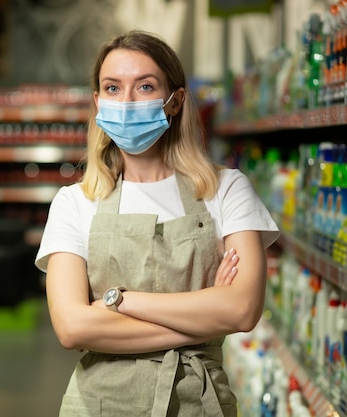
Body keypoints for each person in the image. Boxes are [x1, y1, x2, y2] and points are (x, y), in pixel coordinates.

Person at [34, 29, 280, 417]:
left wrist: (119, 301)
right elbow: (73, 327)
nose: (127, 102)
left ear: (175, 101)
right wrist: (207, 320)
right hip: (98, 406)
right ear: (98, 103)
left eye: (145, 86)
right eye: (112, 88)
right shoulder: (75, 203)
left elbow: (244, 309)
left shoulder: (226, 190)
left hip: (199, 404)